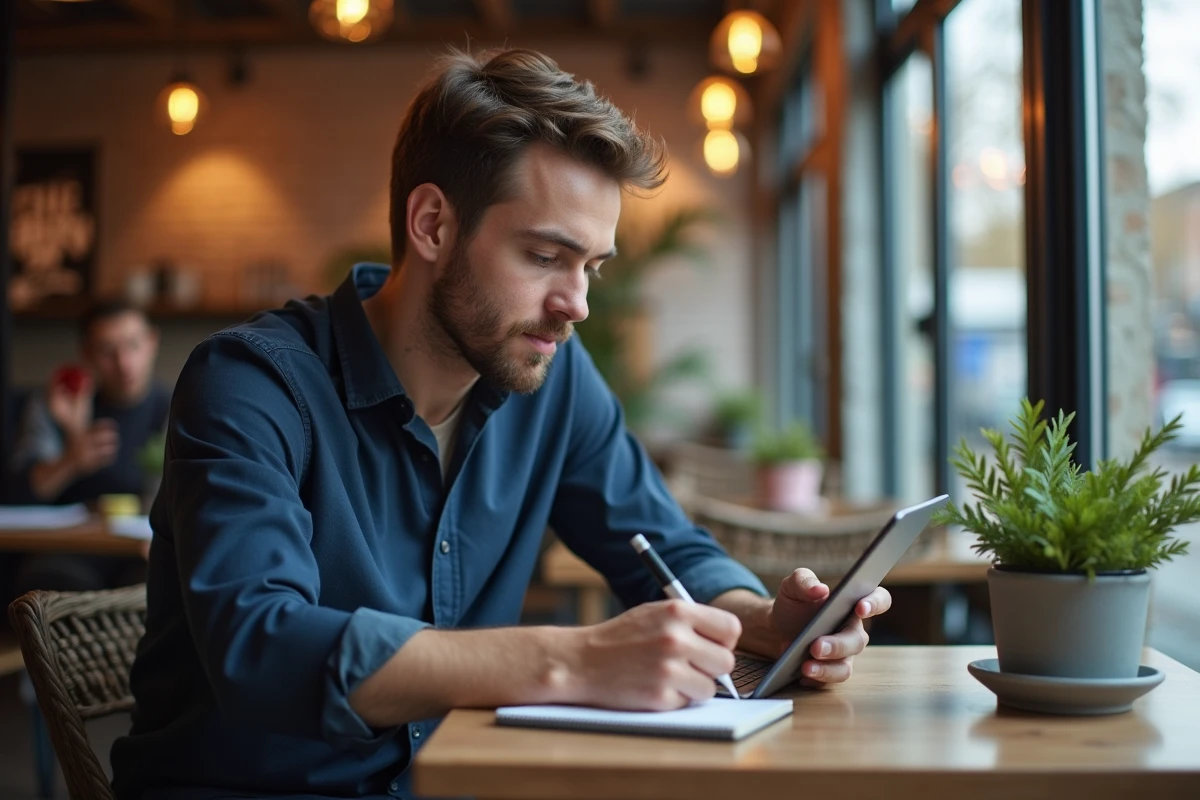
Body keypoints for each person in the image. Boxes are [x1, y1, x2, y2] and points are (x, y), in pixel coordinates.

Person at [110, 48, 891, 800]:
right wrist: (570, 660)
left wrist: (763, 622)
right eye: (546, 256)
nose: (577, 304)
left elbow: (663, 547)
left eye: (592, 266)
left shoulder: (552, 377)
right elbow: (262, 650)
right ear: (432, 224)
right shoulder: (250, 384)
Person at [6, 301, 168, 592]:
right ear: (86, 354)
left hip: (144, 549)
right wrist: (71, 458)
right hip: (68, 551)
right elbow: (17, 495)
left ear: (151, 342)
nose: (123, 363)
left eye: (133, 345)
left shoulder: (178, 408)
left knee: (158, 581)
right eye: (107, 350)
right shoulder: (57, 405)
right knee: (47, 578)